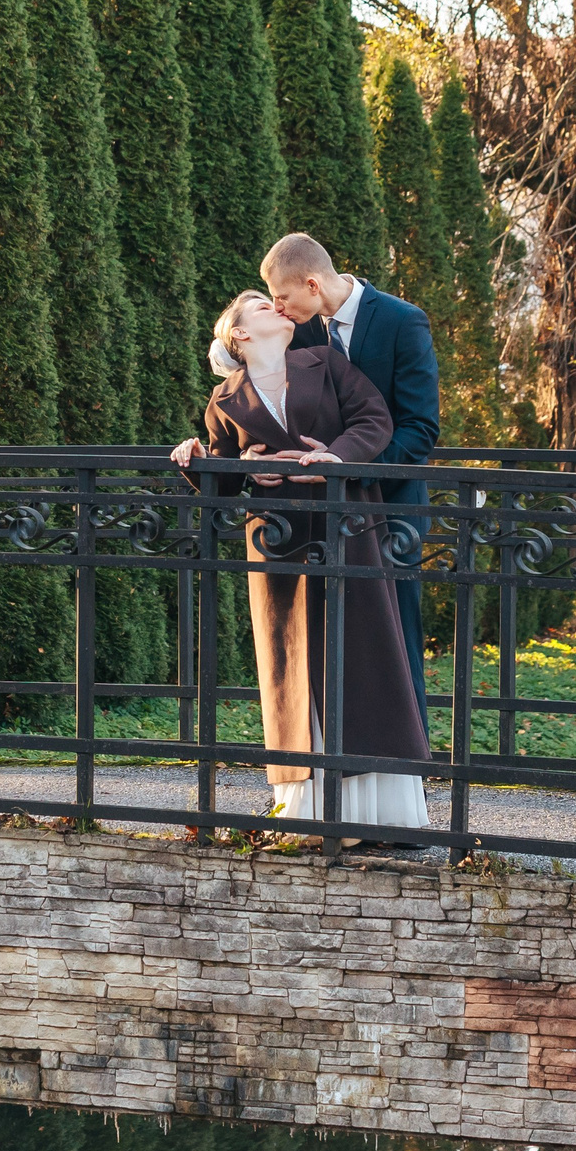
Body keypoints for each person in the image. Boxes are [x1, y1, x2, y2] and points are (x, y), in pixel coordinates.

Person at [169, 290, 432, 843]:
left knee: (364, 659)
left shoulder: (327, 363)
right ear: (239, 334)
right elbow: (224, 480)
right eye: (262, 307)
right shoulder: (225, 399)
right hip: (279, 544)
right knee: (293, 668)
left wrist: (337, 458)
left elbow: (374, 418)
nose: (278, 310)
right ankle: (309, 816)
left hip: (347, 530)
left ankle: (382, 818)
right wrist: (202, 460)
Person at [261, 233, 440, 727]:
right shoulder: (300, 327)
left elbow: (421, 428)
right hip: (322, 518)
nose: (278, 308)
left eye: (282, 296)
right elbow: (255, 371)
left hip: (391, 513)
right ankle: (336, 778)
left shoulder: (404, 321)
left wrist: (351, 466)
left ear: (313, 284)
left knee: (396, 645)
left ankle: (410, 782)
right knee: (323, 647)